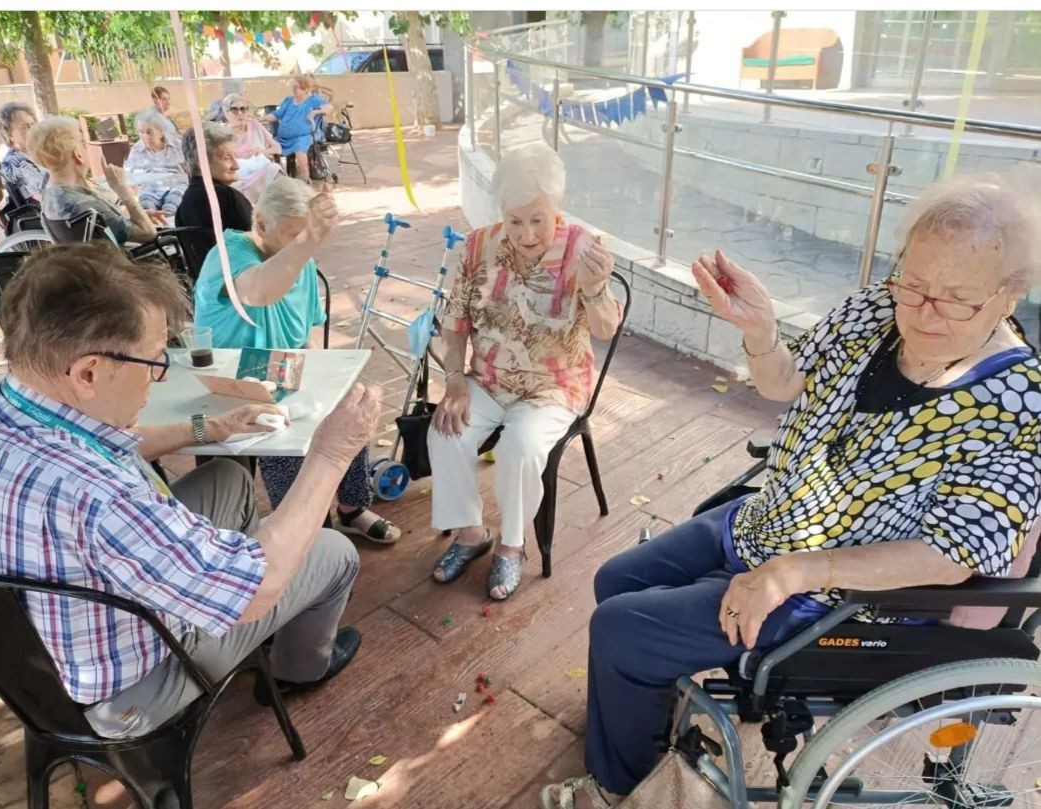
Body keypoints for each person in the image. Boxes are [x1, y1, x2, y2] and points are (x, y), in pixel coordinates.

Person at [541, 172, 1041, 808]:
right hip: (767, 520)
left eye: (956, 300)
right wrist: (761, 331)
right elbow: (784, 382)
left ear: (1010, 293)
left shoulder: (1019, 403)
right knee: (617, 580)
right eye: (913, 283)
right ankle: (645, 713)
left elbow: (952, 554)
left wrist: (794, 572)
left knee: (621, 630)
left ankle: (619, 788)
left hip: (837, 596)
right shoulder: (875, 309)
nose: (921, 311)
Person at [0, 242, 377, 737]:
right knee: (332, 552)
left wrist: (209, 429)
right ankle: (298, 670)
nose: (158, 379)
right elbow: (258, 590)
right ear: (89, 372)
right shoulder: (100, 498)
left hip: (38, 647)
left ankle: (225, 599)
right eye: (154, 361)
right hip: (129, 689)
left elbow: (101, 444)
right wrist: (332, 453)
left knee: (228, 479)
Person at [428, 142, 622, 601]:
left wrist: (595, 288)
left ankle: (512, 546)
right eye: (514, 221)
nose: (526, 234)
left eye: (538, 220)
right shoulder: (478, 246)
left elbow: (606, 329)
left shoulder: (583, 249)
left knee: (519, 448)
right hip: (488, 378)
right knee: (445, 431)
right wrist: (454, 380)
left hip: (554, 386)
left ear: (558, 209)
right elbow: (454, 323)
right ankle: (472, 534)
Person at [193, 177, 403, 544]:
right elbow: (258, 291)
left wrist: (327, 381)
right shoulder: (228, 255)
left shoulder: (301, 261)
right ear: (261, 224)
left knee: (349, 404)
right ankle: (307, 531)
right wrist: (307, 242)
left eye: (307, 236)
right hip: (231, 373)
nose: (303, 245)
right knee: (284, 431)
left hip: (281, 365)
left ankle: (352, 506)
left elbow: (303, 333)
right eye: (294, 235)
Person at [29, 116, 159, 245]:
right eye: (82, 143)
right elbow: (148, 233)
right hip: (122, 257)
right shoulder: (85, 204)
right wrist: (123, 190)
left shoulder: (50, 196)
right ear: (78, 154)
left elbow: (108, 222)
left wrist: (136, 215)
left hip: (83, 258)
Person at [176, 122, 253, 232]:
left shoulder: (184, 205)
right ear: (202, 163)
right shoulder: (228, 198)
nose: (236, 166)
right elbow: (258, 239)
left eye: (235, 157)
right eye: (227, 158)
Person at [264, 76, 333, 182]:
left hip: (304, 136)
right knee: (268, 147)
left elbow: (329, 107)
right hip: (283, 138)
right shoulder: (288, 100)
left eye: (297, 87)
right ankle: (279, 178)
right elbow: (277, 115)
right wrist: (263, 118)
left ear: (305, 89)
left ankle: (306, 179)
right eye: (293, 87)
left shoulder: (313, 99)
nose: (294, 90)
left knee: (299, 148)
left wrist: (315, 112)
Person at [124, 109, 189, 216]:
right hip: (150, 190)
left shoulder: (178, 146)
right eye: (141, 132)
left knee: (171, 207)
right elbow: (130, 176)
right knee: (146, 208)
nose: (145, 136)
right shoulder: (137, 149)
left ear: (161, 132)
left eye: (149, 132)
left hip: (176, 187)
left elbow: (191, 169)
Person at [225, 93, 283, 204]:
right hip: (239, 176)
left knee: (275, 170)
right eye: (234, 110)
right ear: (226, 114)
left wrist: (261, 151)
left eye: (243, 109)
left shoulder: (255, 125)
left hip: (261, 169)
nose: (240, 113)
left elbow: (278, 148)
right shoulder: (224, 134)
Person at [0, 101, 46, 204]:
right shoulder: (14, 162)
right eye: (25, 127)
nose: (32, 130)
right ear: (9, 134)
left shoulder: (36, 154)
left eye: (33, 124)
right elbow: (38, 198)